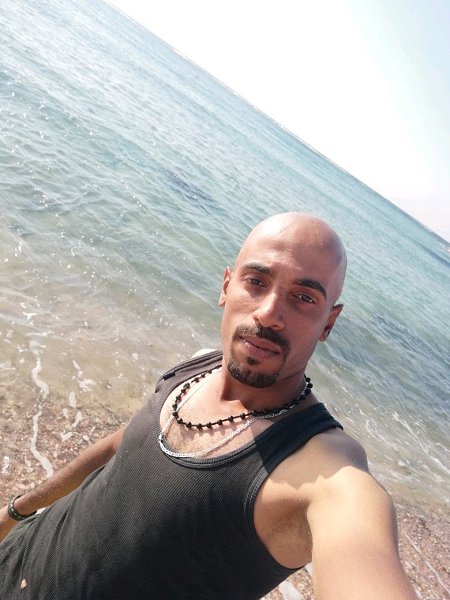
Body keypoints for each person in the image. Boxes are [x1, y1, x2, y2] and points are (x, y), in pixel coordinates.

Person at [0, 212, 416, 599]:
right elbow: (119, 448)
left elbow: (357, 533)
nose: (269, 313)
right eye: (256, 281)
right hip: (13, 558)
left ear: (329, 322)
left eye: (304, 298)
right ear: (226, 286)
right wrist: (16, 511)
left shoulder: (319, 468)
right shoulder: (197, 367)